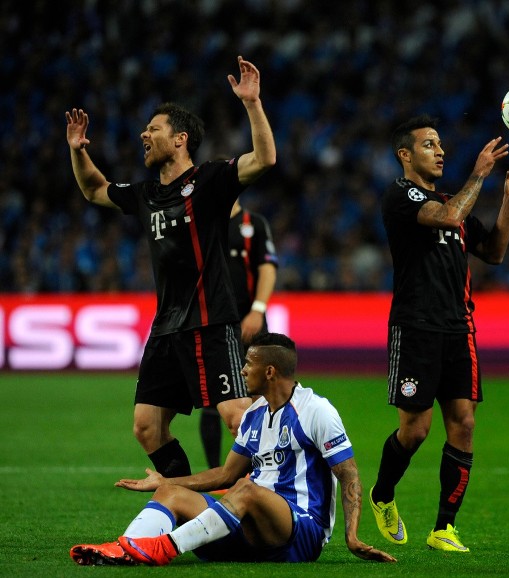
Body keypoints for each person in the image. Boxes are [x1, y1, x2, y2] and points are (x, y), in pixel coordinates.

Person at [65, 56, 277, 477]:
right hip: (166, 329)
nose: (144, 134)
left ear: (180, 139)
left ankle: (276, 494)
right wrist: (77, 151)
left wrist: (252, 103)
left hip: (210, 322)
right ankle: (187, 502)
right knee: (147, 427)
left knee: (238, 417)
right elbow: (93, 190)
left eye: (154, 129)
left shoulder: (211, 181)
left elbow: (265, 159)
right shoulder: (145, 194)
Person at [69, 333, 396, 566]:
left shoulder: (316, 411)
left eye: (248, 364)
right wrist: (166, 482)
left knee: (247, 489)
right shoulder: (253, 415)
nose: (241, 371)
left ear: (269, 371)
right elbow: (225, 473)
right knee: (171, 493)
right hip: (252, 523)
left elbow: (349, 475)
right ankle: (125, 549)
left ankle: (163, 547)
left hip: (300, 531)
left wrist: (351, 536)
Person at [370, 114, 509, 553]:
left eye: (441, 144)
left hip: (459, 329)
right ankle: (382, 494)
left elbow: (495, 253)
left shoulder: (453, 203)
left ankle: (444, 527)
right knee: (416, 430)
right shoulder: (400, 196)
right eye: (429, 145)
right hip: (415, 328)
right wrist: (479, 173)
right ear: (405, 154)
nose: (440, 150)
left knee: (463, 423)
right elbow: (446, 216)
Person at [200, 198, 278, 469]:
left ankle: (263, 468)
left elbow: (267, 267)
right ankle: (216, 474)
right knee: (213, 400)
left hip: (249, 321)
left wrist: (257, 310)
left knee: (261, 396)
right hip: (214, 325)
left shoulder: (253, 224)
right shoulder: (203, 223)